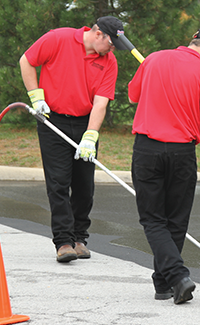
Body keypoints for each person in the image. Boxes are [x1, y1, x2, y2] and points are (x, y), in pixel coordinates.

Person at [128, 28, 200, 304]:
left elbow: (134, 96)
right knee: (175, 220)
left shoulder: (153, 60)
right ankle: (176, 277)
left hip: (148, 150)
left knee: (153, 219)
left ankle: (166, 282)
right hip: (182, 154)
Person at [19, 16, 127, 263]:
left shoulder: (108, 62)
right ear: (98, 33)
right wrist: (36, 97)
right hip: (52, 119)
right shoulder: (59, 38)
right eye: (111, 44)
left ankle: (80, 238)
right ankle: (64, 242)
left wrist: (91, 135)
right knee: (58, 183)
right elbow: (26, 60)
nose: (113, 51)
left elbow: (101, 102)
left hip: (84, 123)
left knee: (84, 186)